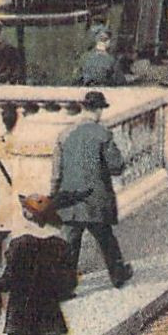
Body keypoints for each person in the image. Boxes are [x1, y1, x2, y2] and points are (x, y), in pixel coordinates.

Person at [51, 90, 133, 288]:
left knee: (69, 244)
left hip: (69, 200)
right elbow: (116, 166)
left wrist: (54, 197)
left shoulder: (64, 135)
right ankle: (118, 275)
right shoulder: (103, 134)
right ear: (98, 110)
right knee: (106, 240)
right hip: (95, 200)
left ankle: (65, 286)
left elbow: (56, 173)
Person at [0, 193, 78, 335]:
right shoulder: (61, 245)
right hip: (50, 322)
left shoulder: (18, 245)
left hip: (20, 322)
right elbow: (69, 285)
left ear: (27, 215)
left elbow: (6, 282)